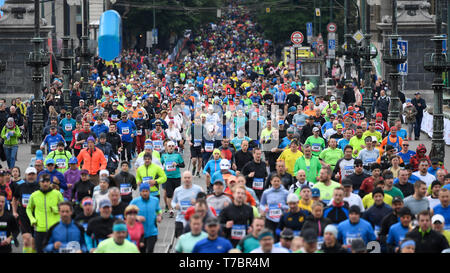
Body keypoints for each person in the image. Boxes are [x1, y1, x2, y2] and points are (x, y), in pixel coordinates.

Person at [26, 174, 64, 253]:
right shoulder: (34, 195)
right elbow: (28, 209)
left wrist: (55, 209)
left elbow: (64, 208)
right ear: (39, 183)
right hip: (40, 229)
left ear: (50, 182)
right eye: (43, 182)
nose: (45, 184)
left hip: (55, 229)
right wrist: (32, 219)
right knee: (40, 250)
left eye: (47, 181)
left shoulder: (57, 194)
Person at [11, 167, 39, 253]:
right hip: (24, 216)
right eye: (29, 174)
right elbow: (14, 199)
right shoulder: (21, 187)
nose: (31, 176)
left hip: (36, 217)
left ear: (36, 175)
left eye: (33, 174)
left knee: (34, 243)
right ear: (26, 175)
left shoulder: (40, 187)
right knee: (26, 240)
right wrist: (14, 212)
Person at [130, 183, 162, 253]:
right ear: (140, 192)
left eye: (146, 191)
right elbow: (127, 213)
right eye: (143, 191)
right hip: (139, 233)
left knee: (150, 250)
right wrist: (136, 217)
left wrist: (159, 215)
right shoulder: (135, 202)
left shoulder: (155, 200)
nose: (145, 193)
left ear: (149, 192)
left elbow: (158, 210)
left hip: (152, 232)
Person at [172, 171, 203, 237]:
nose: (187, 179)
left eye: (189, 178)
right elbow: (173, 202)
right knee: (180, 239)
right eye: (185, 178)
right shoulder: (177, 190)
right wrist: (175, 206)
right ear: (182, 178)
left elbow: (204, 202)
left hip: (194, 219)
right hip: (180, 218)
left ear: (191, 178)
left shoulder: (198, 189)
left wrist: (197, 201)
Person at [161, 141, 185, 217]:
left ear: (174, 147)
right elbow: (160, 164)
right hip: (167, 178)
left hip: (176, 177)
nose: (171, 147)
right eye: (169, 146)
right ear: (167, 147)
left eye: (172, 146)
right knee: (169, 194)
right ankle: (171, 210)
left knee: (177, 194)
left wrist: (177, 164)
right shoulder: (163, 155)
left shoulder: (177, 155)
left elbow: (183, 165)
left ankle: (177, 208)